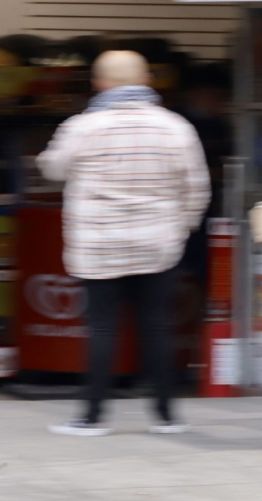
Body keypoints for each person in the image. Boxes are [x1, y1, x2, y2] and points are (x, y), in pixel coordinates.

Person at [38, 50, 211, 436]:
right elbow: (197, 186)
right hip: (158, 244)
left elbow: (52, 168)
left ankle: (92, 417)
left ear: (100, 83)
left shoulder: (82, 127)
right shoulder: (175, 127)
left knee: (102, 329)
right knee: (156, 326)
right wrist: (181, 228)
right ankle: (166, 416)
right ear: (147, 80)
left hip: (98, 246)